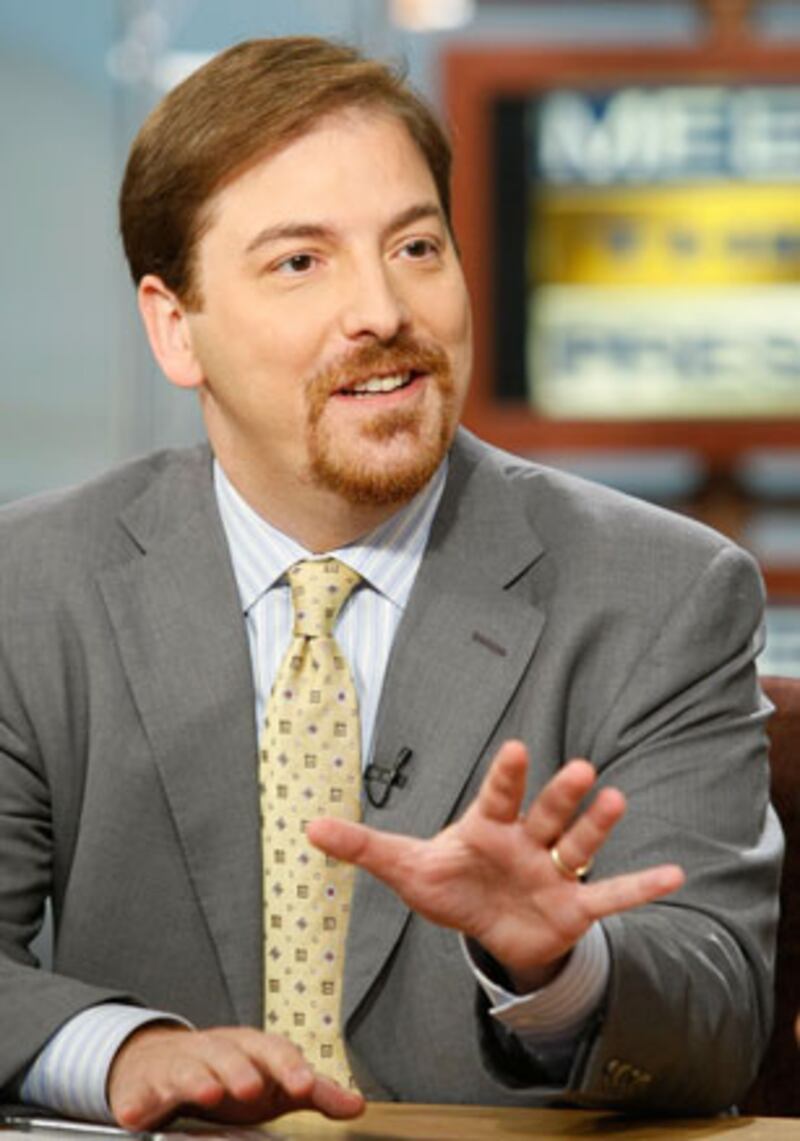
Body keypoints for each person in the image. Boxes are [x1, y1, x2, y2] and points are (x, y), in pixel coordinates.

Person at [0, 36, 782, 1131]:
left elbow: (719, 1018)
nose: (381, 309)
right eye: (300, 262)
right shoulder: (30, 589)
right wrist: (123, 1050)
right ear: (176, 329)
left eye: (416, 246)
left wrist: (557, 966)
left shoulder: (663, 593)